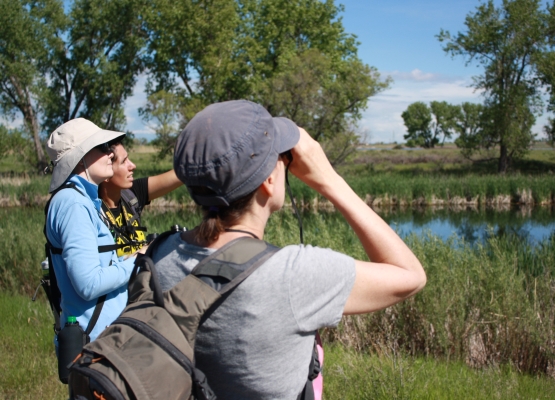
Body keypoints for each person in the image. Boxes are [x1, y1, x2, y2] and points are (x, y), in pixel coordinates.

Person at [150, 100, 427, 399]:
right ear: (269, 180)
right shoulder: (292, 275)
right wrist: (330, 180)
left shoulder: (160, 253)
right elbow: (410, 276)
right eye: (281, 158)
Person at [45, 118, 142, 343]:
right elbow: (88, 284)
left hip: (101, 339)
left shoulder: (80, 199)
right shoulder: (74, 204)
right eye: (102, 148)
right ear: (79, 159)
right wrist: (137, 261)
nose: (110, 154)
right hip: (95, 344)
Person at [98, 141, 182, 257]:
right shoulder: (92, 211)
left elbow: (182, 174)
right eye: (123, 161)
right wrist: (145, 251)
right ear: (105, 172)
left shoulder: (131, 194)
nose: (133, 166)